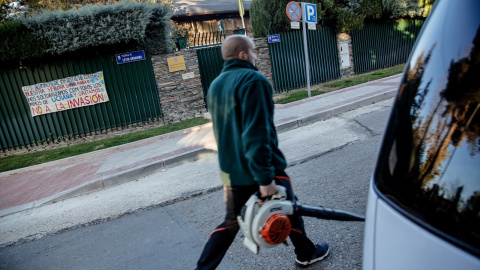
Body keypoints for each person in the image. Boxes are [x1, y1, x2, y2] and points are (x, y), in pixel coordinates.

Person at [195, 34, 329, 269]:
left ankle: (202, 268)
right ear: (243, 54)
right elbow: (256, 134)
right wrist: (266, 179)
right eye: (254, 51)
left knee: (230, 223)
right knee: (290, 208)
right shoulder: (253, 80)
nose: (256, 55)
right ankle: (306, 254)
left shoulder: (215, 85)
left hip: (230, 171)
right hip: (261, 169)